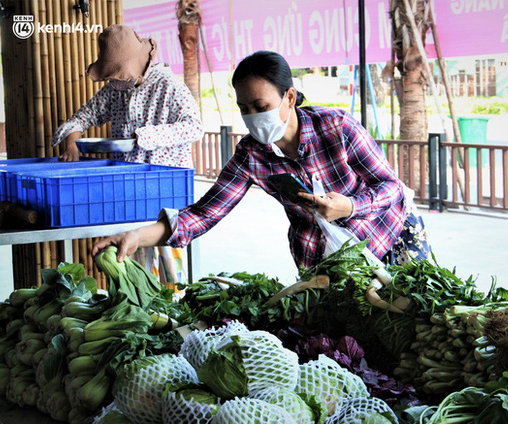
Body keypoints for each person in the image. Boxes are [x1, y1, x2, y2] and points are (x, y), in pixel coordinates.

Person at [93, 50, 430, 269]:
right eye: (244, 109)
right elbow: (203, 214)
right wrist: (137, 235)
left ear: (290, 97)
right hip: (325, 258)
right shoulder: (251, 155)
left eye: (261, 106)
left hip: (389, 235)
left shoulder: (336, 128)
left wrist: (350, 207)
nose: (252, 117)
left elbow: (392, 187)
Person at [53, 24, 203, 284]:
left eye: (117, 75)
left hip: (165, 187)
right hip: (129, 189)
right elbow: (83, 117)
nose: (113, 81)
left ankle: (175, 310)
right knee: (131, 264)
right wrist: (71, 144)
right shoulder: (115, 90)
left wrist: (145, 136)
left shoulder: (168, 85)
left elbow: (195, 127)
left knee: (170, 268)